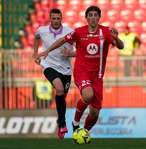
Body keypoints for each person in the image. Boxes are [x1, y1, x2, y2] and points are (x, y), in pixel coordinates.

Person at [36, 6, 124, 137]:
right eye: (90, 15)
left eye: (95, 15)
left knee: (94, 114)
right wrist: (48, 50)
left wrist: (116, 38)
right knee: (88, 95)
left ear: (99, 18)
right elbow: (62, 40)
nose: (93, 17)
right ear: (86, 18)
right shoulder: (78, 32)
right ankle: (75, 122)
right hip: (81, 72)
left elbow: (121, 47)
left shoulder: (106, 32)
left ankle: (83, 132)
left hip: (98, 76)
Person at [34, 8, 75, 139]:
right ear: (50, 19)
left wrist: (70, 54)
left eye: (58, 18)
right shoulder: (42, 30)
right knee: (59, 88)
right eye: (53, 18)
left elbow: (80, 49)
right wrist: (36, 54)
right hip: (49, 65)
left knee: (62, 99)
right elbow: (36, 37)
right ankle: (63, 124)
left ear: (61, 18)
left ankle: (59, 120)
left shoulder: (70, 32)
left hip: (66, 69)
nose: (56, 21)